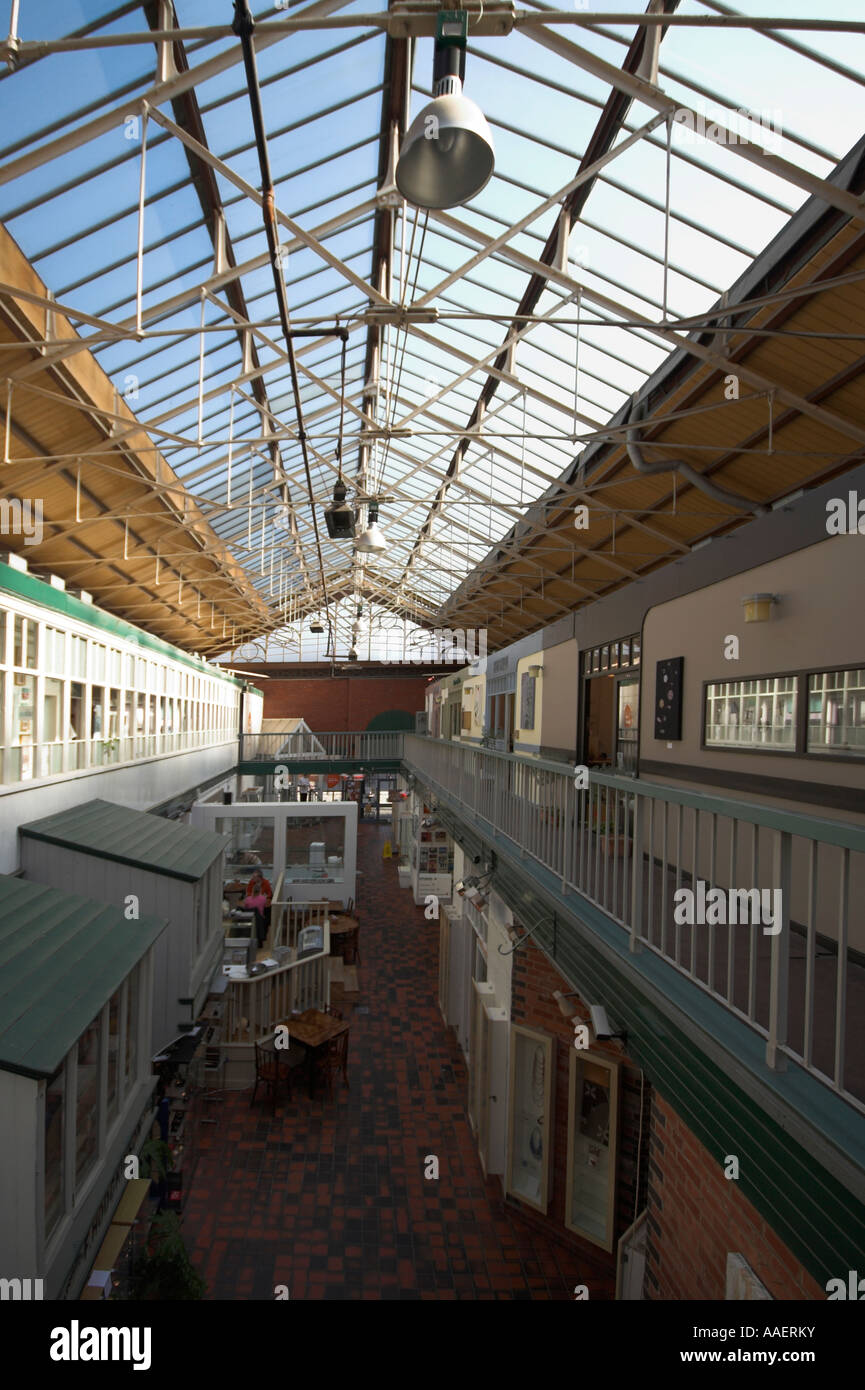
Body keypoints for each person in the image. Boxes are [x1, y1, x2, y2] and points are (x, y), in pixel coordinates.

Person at [245, 867, 273, 948]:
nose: (252, 878)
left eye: (254, 877)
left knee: (267, 913)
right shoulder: (251, 883)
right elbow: (248, 892)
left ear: (259, 877)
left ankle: (263, 932)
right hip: (257, 908)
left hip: (258, 907)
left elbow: (269, 894)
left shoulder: (266, 883)